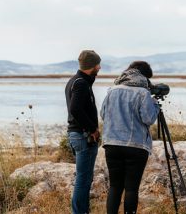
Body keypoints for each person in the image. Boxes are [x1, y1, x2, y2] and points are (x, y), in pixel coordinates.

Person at [100, 61, 159, 214]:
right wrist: (155, 104)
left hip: (112, 144)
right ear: (144, 77)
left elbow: (103, 114)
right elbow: (148, 118)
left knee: (115, 186)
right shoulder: (143, 93)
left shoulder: (112, 90)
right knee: (131, 188)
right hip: (136, 146)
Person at [66, 49, 102, 214]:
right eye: (97, 65)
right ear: (92, 66)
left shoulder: (76, 81)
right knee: (83, 180)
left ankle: (82, 211)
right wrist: (92, 128)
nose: (99, 68)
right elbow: (75, 109)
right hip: (83, 136)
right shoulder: (80, 83)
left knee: (84, 178)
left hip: (78, 135)